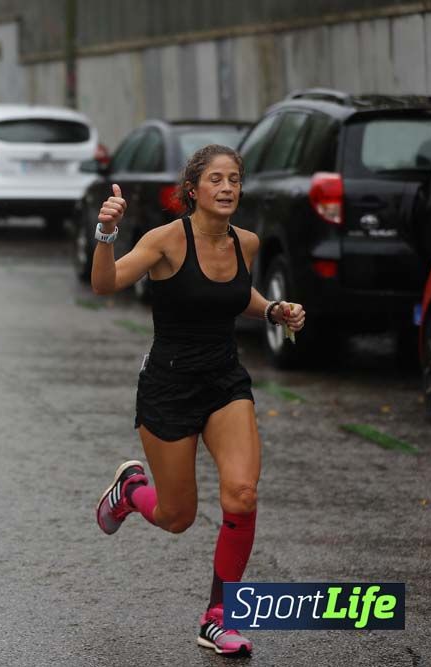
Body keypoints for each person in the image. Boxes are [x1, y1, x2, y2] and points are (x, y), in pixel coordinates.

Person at [90, 144, 306, 656]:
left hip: (224, 382)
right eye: (216, 179)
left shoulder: (246, 243)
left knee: (242, 495)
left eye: (234, 178)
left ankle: (218, 616)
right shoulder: (164, 241)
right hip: (168, 386)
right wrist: (106, 233)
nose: (227, 187)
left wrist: (273, 310)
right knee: (176, 517)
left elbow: (236, 294)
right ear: (193, 189)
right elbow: (105, 283)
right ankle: (131, 489)